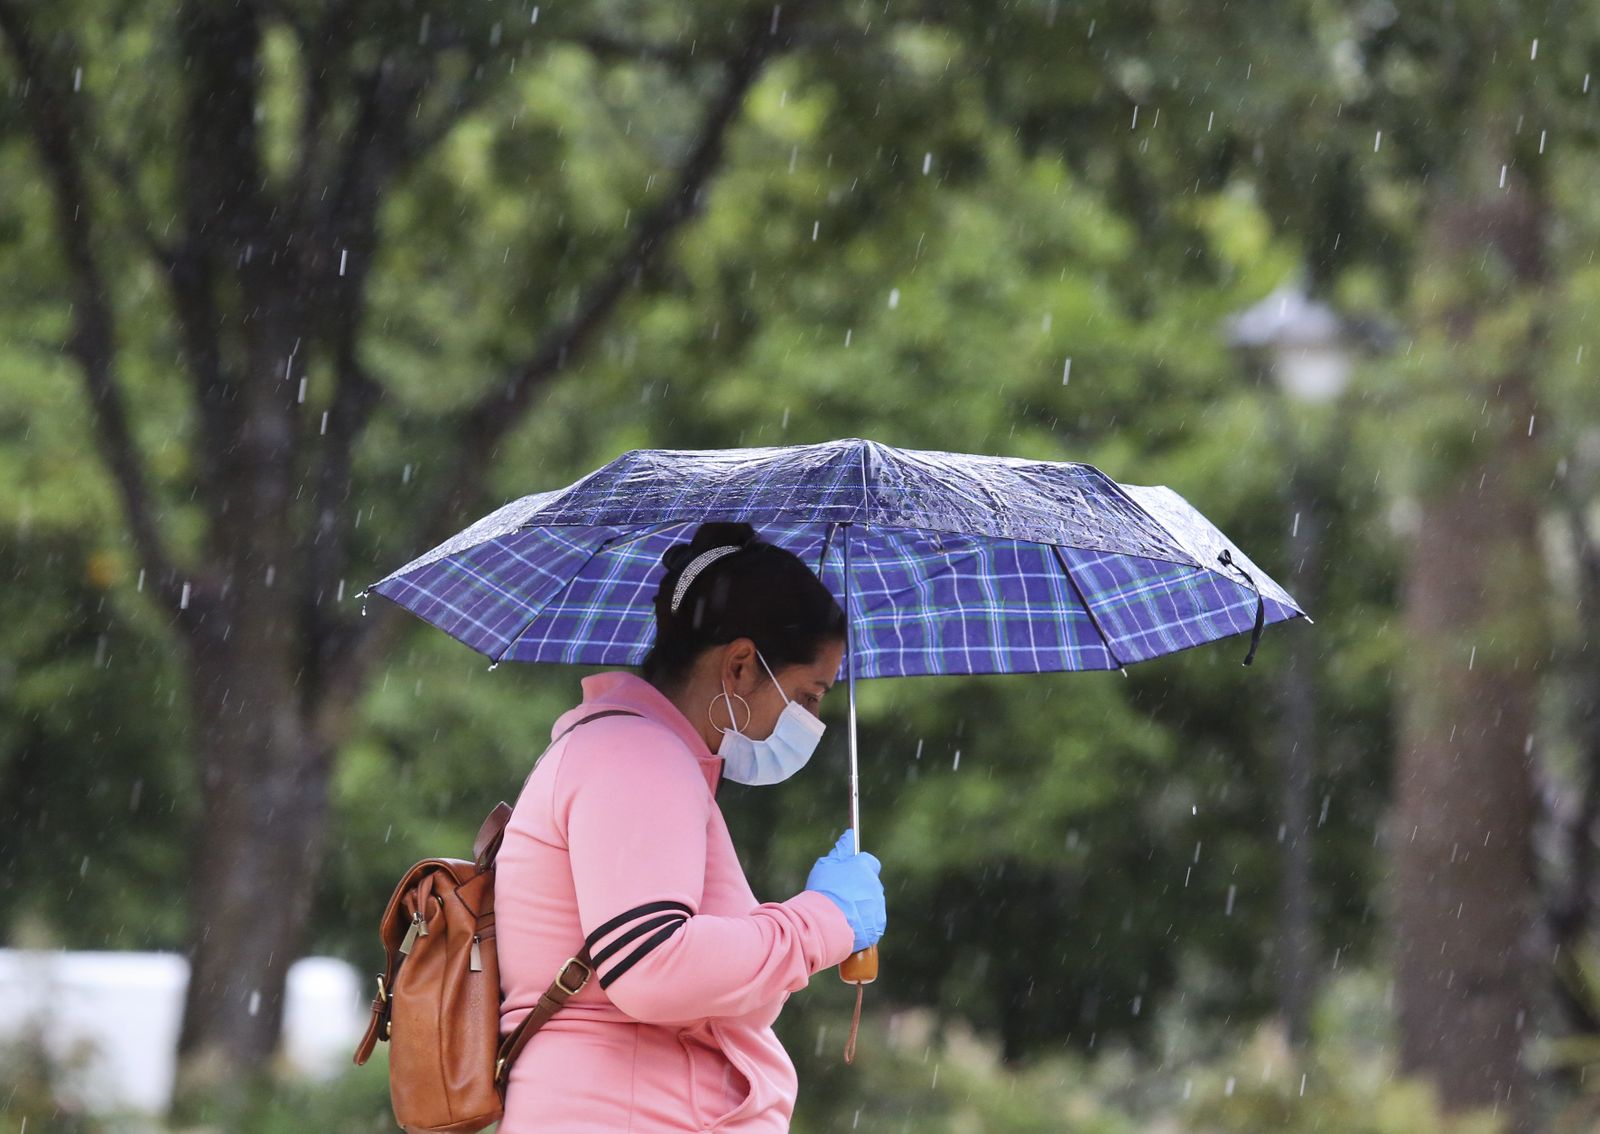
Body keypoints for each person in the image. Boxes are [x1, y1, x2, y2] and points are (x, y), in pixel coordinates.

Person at [494, 521, 888, 1132]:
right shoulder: (638, 756)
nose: (812, 720)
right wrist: (822, 921)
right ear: (739, 667)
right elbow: (652, 969)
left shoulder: (643, 754)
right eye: (809, 696)